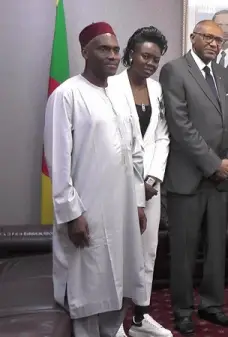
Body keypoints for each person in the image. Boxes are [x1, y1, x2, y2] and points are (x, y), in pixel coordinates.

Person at [44, 22, 147, 337]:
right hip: (87, 214)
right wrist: (72, 215)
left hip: (122, 211)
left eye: (116, 50)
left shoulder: (119, 93)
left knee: (117, 287)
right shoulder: (66, 95)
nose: (113, 56)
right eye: (104, 49)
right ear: (84, 51)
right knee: (88, 288)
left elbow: (133, 154)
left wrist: (139, 203)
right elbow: (58, 163)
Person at [159, 19, 228, 334]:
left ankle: (211, 305)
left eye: (219, 40)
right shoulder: (174, 70)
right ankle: (182, 310)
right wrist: (213, 163)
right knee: (183, 251)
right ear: (193, 37)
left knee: (216, 249)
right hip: (189, 178)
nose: (213, 44)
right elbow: (180, 125)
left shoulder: (222, 74)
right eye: (207, 37)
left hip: (221, 180)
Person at [109, 26, 172, 337]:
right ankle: (114, 322)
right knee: (118, 253)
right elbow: (112, 142)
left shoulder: (158, 89)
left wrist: (153, 176)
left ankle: (140, 319)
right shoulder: (109, 86)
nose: (150, 62)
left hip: (151, 185)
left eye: (156, 58)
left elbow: (162, 135)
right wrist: (135, 182)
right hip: (118, 185)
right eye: (145, 55)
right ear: (130, 54)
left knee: (148, 250)